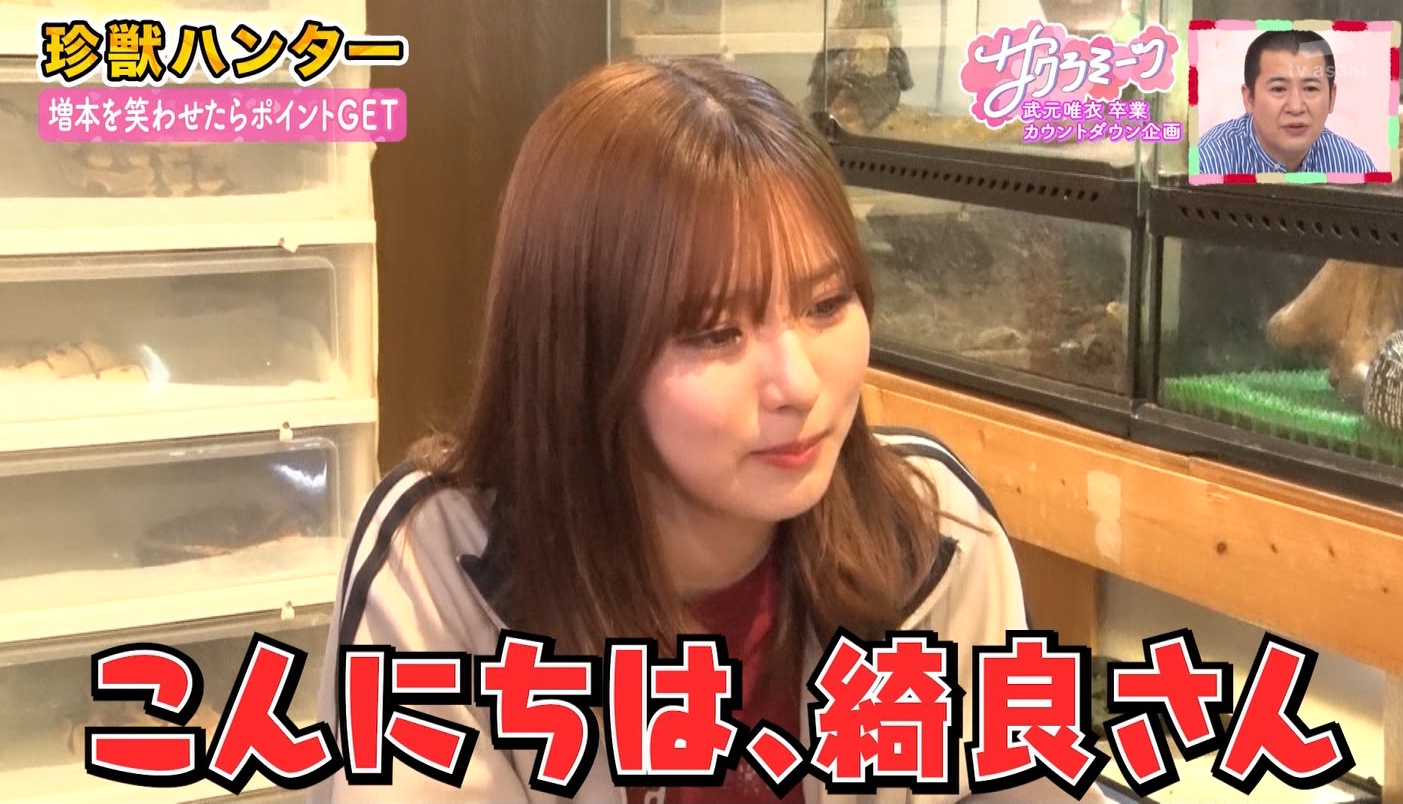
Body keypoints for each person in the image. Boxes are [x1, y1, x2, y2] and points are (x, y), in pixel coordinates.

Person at [307, 56, 1110, 803]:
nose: (798, 386)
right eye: (717, 333)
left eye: (827, 305)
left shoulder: (932, 537)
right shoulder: (439, 568)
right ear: (584, 350)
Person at [1196, 29, 1376, 174]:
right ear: (1249, 98)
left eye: (1310, 89)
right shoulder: (1208, 163)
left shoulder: (1355, 166)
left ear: (1331, 98)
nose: (1296, 107)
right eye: (1279, 89)